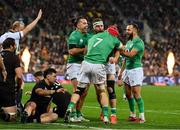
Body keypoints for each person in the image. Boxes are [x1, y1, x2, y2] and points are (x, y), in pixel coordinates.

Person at [64, 25, 122, 124]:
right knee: (102, 91)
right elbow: (122, 48)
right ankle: (106, 116)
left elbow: (86, 51)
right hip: (98, 65)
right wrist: (116, 56)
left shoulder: (92, 37)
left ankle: (69, 108)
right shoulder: (114, 39)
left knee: (78, 90)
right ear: (115, 34)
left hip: (86, 63)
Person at [0, 9, 42, 114]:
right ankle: (16, 104)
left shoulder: (2, 36)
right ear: (16, 28)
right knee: (19, 82)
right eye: (21, 29)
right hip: (10, 61)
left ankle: (7, 104)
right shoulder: (14, 36)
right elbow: (28, 28)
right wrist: (37, 18)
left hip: (2, 61)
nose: (22, 32)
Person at [92, 18, 120, 124]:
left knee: (110, 88)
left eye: (101, 26)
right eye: (97, 26)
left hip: (109, 64)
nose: (100, 28)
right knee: (99, 91)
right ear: (94, 27)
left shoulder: (109, 34)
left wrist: (116, 58)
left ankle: (113, 114)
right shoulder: (92, 37)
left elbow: (118, 49)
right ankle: (103, 111)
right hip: (97, 64)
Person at [119, 23, 145, 123]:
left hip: (136, 70)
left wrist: (120, 50)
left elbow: (130, 55)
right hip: (127, 70)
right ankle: (132, 114)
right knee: (128, 94)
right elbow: (125, 59)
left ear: (134, 30)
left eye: (128, 30)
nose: (126, 32)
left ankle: (142, 117)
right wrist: (121, 73)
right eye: (126, 30)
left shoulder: (139, 42)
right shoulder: (129, 42)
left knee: (136, 93)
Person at [66, 16, 90, 122]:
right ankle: (72, 114)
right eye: (84, 23)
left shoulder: (88, 36)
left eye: (87, 23)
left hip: (85, 64)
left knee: (84, 92)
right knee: (77, 90)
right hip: (74, 64)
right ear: (78, 25)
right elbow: (71, 51)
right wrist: (84, 49)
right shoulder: (74, 35)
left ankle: (79, 113)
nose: (86, 25)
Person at [0, 38, 23, 122]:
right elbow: (19, 75)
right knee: (13, 117)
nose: (15, 46)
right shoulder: (14, 57)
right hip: (7, 88)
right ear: (11, 46)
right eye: (15, 45)